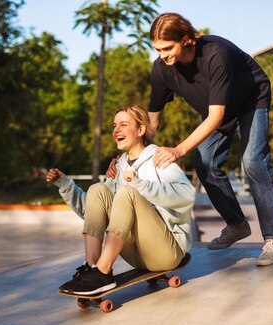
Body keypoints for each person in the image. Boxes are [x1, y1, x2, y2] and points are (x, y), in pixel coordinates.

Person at [108, 12, 273, 266]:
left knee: (253, 161)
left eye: (168, 48)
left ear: (186, 39)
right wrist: (128, 155)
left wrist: (178, 150)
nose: (163, 55)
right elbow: (153, 122)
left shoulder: (216, 53)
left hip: (251, 99)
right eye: (158, 49)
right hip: (217, 109)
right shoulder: (162, 69)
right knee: (204, 164)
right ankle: (236, 225)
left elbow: (216, 116)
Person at [47, 104, 195, 295]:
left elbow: (187, 194)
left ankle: (103, 270)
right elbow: (92, 213)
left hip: (167, 252)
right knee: (98, 189)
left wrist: (140, 184)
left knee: (127, 193)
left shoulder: (159, 158)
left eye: (124, 124)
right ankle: (92, 268)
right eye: (114, 125)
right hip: (137, 254)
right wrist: (65, 184)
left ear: (140, 130)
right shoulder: (119, 166)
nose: (117, 130)